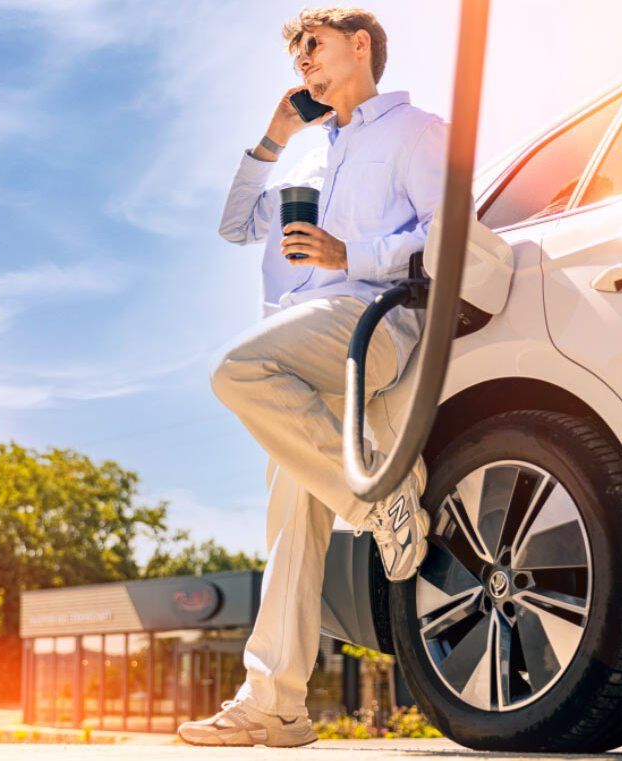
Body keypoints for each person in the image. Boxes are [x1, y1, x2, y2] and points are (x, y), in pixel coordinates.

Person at [177, 7, 445, 748]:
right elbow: (234, 224)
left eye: (313, 45)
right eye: (295, 51)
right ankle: (275, 703)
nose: (301, 60)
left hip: (369, 327)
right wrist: (272, 136)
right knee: (289, 535)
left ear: (360, 46)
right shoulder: (306, 161)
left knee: (234, 368)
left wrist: (346, 253)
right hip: (299, 359)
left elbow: (449, 229)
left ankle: (378, 493)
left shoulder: (415, 131)